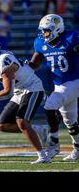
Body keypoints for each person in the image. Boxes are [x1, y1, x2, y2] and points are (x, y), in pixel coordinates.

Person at [0, 36, 51, 164]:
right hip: (19, 90)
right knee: (2, 125)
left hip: (32, 87)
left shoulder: (2, 62)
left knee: (21, 122)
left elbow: (7, 92)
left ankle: (43, 156)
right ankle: (39, 129)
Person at [27, 14, 79, 161]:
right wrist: (24, 68)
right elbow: (35, 64)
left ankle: (54, 144)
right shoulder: (40, 43)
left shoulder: (72, 38)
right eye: (42, 31)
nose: (44, 34)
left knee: (50, 105)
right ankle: (78, 148)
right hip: (60, 84)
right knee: (70, 120)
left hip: (75, 80)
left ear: (56, 29)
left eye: (46, 31)